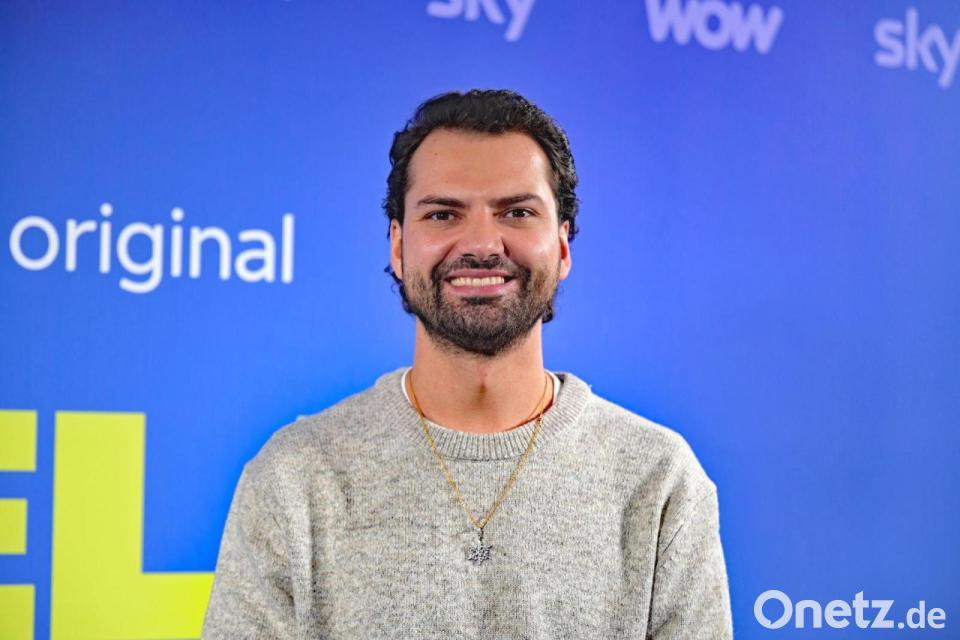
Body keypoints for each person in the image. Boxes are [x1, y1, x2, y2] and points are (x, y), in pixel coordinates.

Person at [202, 89, 733, 639]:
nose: (481, 242)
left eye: (518, 212)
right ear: (398, 246)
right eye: (443, 214)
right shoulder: (294, 478)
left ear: (563, 246)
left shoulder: (659, 480)